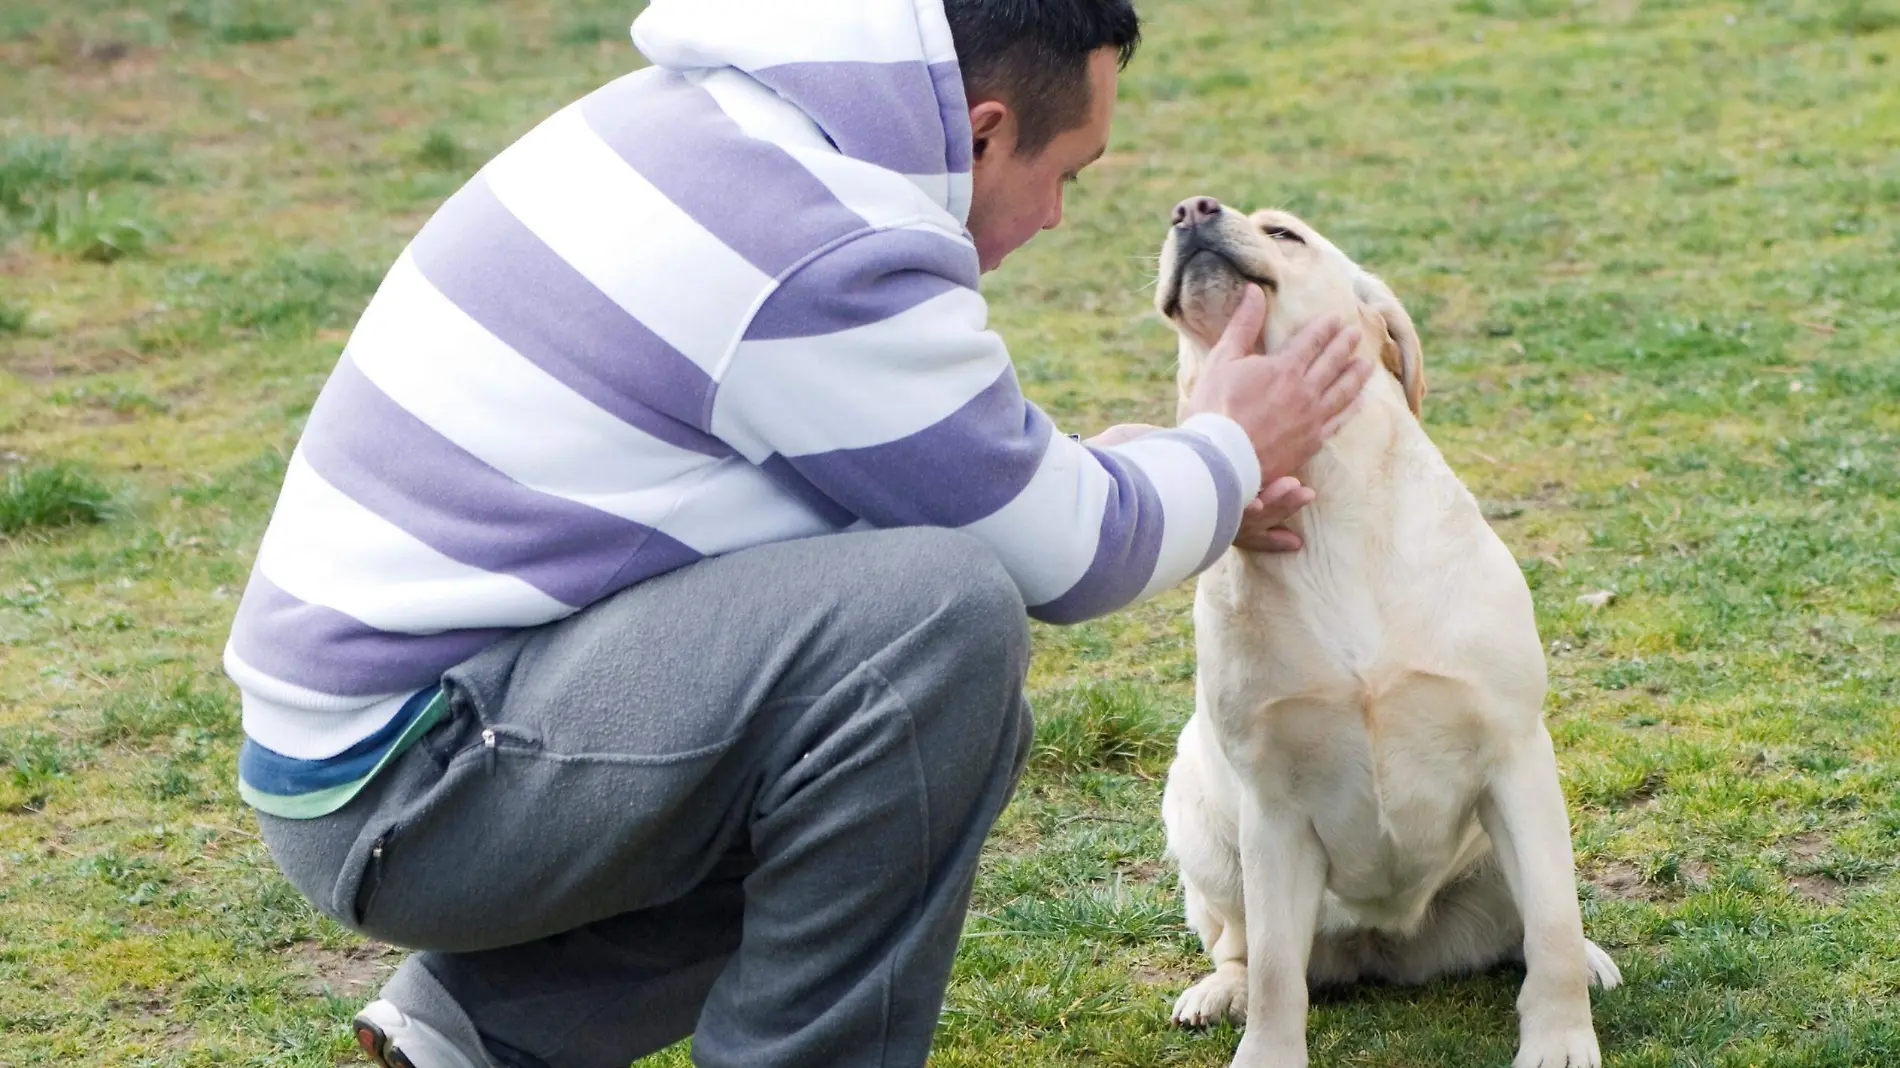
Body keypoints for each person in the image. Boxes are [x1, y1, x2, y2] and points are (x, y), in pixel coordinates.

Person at [223, 0, 1372, 1064]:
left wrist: (1127, 471)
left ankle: (485, 1026)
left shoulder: (720, 130)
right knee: (931, 632)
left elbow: (873, 477)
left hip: (389, 743)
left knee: (921, 712)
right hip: (416, 791)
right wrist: (1227, 445)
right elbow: (1059, 558)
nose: (1058, 216)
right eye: (1065, 172)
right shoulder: (825, 239)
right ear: (984, 132)